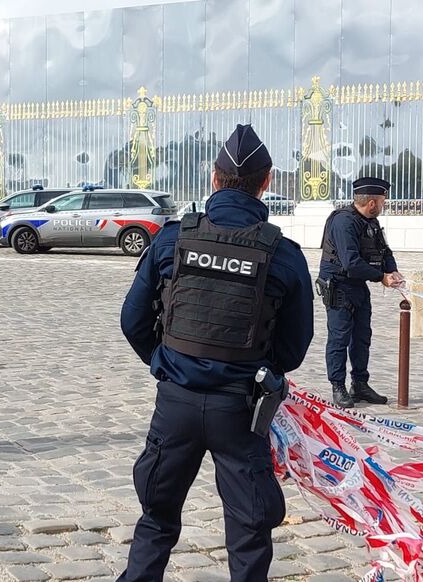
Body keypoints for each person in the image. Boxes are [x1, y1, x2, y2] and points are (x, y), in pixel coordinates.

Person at [118, 124, 314, 581]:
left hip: (176, 405)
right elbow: (294, 345)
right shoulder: (282, 254)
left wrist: (166, 364)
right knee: (249, 530)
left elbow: (133, 321)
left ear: (213, 177)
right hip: (241, 409)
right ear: (267, 182)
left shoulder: (171, 239)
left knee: (156, 518)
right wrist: (258, 368)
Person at [317, 177, 403, 409]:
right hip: (339, 286)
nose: (384, 205)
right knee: (339, 338)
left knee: (362, 336)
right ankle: (338, 386)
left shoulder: (371, 222)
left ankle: (360, 384)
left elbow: (384, 250)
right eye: (383, 201)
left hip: (358, 286)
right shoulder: (344, 222)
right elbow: (351, 262)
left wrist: (392, 270)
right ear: (372, 203)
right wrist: (381, 278)